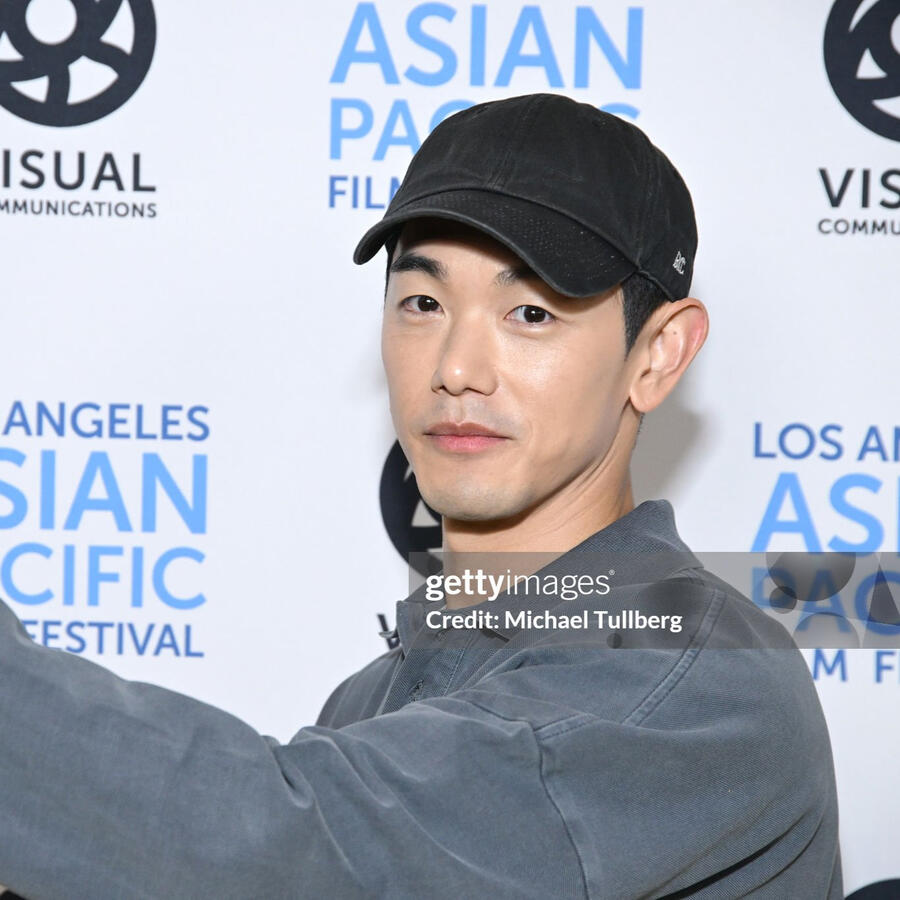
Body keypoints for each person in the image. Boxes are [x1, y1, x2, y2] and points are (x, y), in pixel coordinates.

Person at [0, 93, 841, 898]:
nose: (456, 368)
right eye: (423, 302)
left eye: (532, 314)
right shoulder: (372, 697)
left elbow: (301, 857)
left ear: (658, 355)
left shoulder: (700, 674)